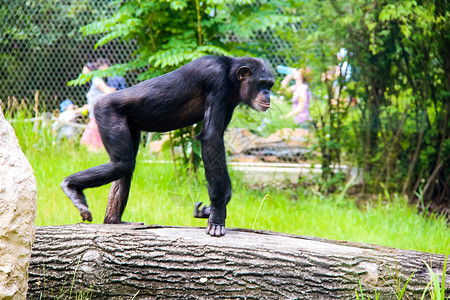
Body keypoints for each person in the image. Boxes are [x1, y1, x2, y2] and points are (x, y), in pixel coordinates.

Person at [80, 62, 116, 151]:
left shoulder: (96, 80)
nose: (83, 71)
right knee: (89, 143)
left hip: (98, 115)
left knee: (87, 141)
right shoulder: (94, 81)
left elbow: (109, 93)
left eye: (85, 68)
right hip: (94, 115)